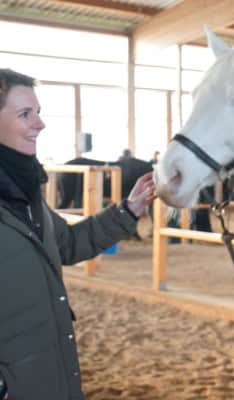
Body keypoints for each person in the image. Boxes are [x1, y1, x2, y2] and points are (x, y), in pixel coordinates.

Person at [0, 68, 155, 400]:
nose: (39, 123)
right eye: (25, 114)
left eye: (38, 112)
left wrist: (128, 211)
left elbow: (68, 244)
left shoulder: (26, 196)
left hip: (52, 375)